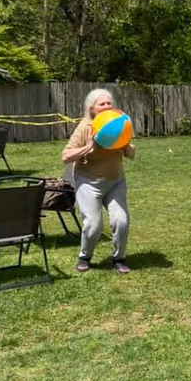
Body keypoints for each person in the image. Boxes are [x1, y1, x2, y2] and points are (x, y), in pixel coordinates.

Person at [62, 89, 136, 273]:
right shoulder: (85, 127)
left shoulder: (118, 123)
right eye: (102, 104)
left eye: (109, 103)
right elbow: (65, 156)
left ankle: (119, 258)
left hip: (115, 181)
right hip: (88, 182)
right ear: (92, 109)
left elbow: (131, 154)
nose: (107, 106)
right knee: (93, 225)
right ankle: (84, 256)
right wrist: (88, 147)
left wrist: (125, 142)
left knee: (121, 221)